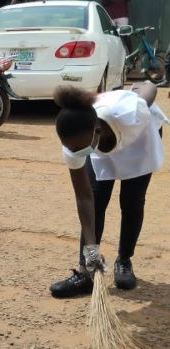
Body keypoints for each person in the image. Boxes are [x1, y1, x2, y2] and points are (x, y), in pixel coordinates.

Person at [49, 82, 168, 298]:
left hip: (138, 140)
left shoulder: (132, 111)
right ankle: (86, 272)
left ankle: (124, 261)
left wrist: (131, 91)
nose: (75, 153)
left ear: (96, 131)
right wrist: (91, 252)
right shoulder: (75, 145)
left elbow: (149, 86)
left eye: (78, 148)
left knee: (132, 201)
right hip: (101, 141)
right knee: (95, 199)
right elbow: (83, 198)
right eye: (71, 149)